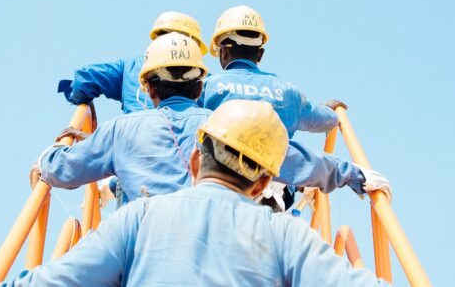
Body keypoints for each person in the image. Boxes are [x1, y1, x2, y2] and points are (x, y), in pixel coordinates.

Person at [5, 100, 390, 286]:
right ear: (261, 185)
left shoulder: (137, 219)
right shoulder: (287, 235)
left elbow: (53, 282)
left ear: (193, 161)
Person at [35, 33, 389, 206]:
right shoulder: (229, 125)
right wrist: (354, 174)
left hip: (140, 256)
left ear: (147, 85)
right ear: (200, 82)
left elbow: (61, 170)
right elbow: (295, 160)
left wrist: (54, 151)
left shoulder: (119, 131)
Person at [200, 5, 346, 209]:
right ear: (260, 54)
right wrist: (330, 110)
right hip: (273, 192)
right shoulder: (288, 92)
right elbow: (325, 121)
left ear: (222, 52)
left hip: (218, 191)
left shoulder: (206, 88)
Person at [57, 11, 208, 114]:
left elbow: (84, 80)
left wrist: (84, 104)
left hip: (131, 147)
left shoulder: (129, 68)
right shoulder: (203, 79)